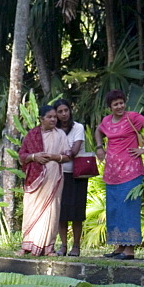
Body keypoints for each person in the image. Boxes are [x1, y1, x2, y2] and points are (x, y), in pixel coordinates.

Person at [95, 90, 144, 260]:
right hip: (112, 173)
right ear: (110, 107)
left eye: (121, 102)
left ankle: (129, 250)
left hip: (131, 171)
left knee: (129, 208)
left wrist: (143, 148)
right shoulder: (107, 121)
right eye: (115, 104)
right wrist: (99, 147)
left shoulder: (133, 117)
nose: (120, 106)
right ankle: (119, 247)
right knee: (115, 209)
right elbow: (98, 130)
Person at [17, 104, 70, 257]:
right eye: (50, 117)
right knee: (31, 209)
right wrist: (34, 157)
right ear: (41, 119)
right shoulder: (32, 135)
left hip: (54, 176)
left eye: (55, 117)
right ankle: (27, 245)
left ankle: (48, 248)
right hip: (35, 178)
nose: (53, 119)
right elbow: (22, 155)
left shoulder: (60, 135)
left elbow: (67, 156)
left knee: (51, 210)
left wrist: (54, 157)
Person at [54, 99, 88, 257]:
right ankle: (63, 246)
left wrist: (55, 155)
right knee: (61, 213)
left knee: (76, 213)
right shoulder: (53, 130)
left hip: (77, 175)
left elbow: (73, 151)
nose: (63, 114)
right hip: (58, 174)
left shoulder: (78, 127)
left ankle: (76, 246)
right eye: (60, 112)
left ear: (70, 110)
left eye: (65, 110)